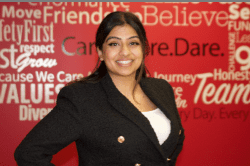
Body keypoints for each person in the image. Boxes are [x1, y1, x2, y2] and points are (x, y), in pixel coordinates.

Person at [14, 11, 184, 166]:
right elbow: (29, 154)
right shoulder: (82, 99)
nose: (125, 52)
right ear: (101, 52)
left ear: (143, 49)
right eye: (114, 44)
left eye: (133, 43)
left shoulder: (162, 89)